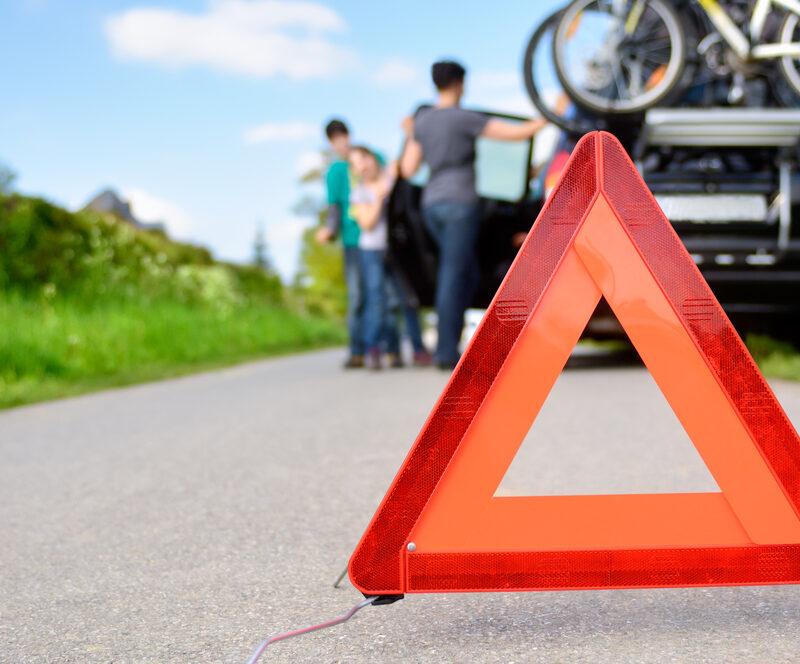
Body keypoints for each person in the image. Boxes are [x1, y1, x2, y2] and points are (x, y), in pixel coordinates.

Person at [400, 60, 547, 370]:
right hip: (459, 204)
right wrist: (545, 118)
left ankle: (453, 341)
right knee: (454, 274)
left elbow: (408, 168)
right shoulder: (466, 118)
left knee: (462, 271)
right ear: (458, 83)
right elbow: (516, 134)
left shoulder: (423, 121)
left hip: (431, 205)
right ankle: (445, 352)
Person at [316, 119, 365, 369]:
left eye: (343, 136)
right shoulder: (335, 171)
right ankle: (357, 351)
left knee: (382, 296)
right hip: (352, 240)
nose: (341, 142)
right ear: (331, 143)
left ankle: (386, 348)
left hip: (376, 238)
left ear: (349, 135)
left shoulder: (368, 157)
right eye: (335, 139)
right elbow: (334, 206)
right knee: (357, 295)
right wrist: (329, 229)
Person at [348, 146, 401, 370]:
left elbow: (398, 165)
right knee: (376, 298)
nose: (362, 167)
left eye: (364, 160)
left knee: (393, 301)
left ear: (372, 157)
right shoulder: (359, 193)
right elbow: (367, 224)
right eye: (355, 164)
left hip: (393, 249)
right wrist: (379, 198)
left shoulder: (389, 179)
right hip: (371, 250)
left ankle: (394, 349)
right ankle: (373, 347)